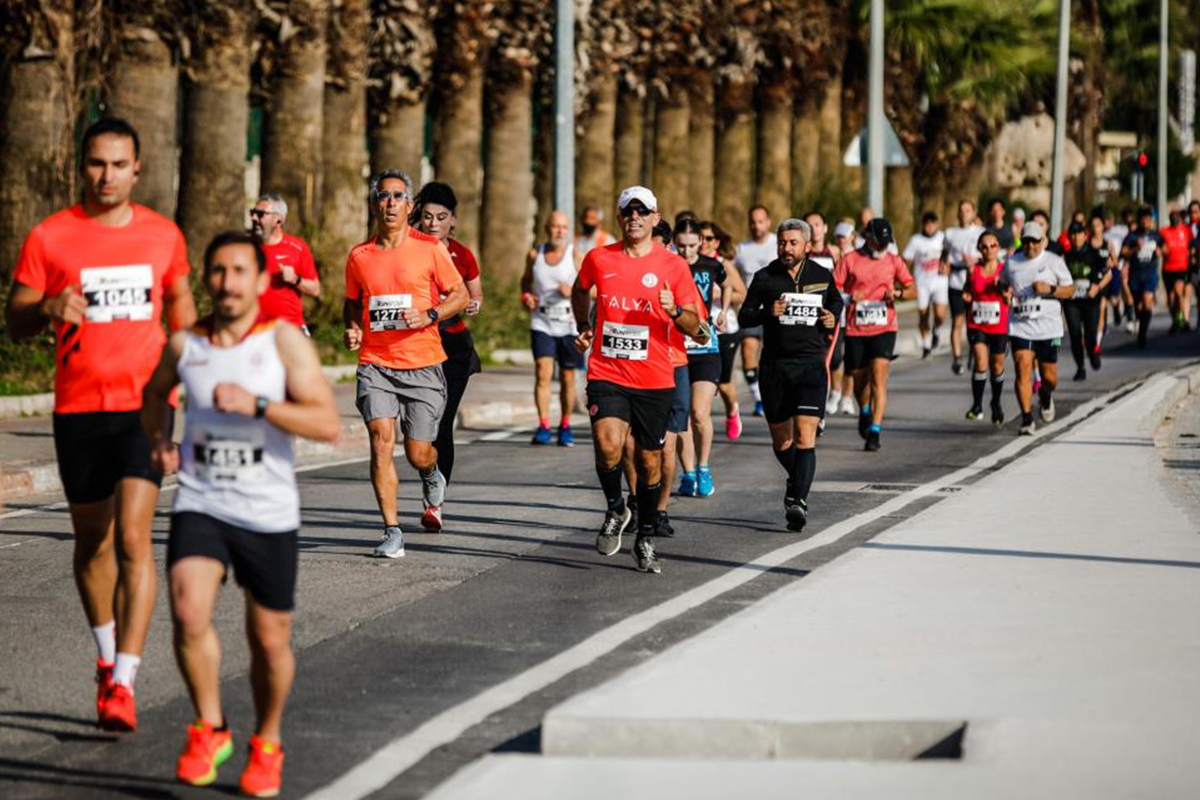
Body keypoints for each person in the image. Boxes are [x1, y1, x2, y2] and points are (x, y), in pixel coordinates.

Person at [5, 117, 197, 731]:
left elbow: (182, 310)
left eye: (119, 164)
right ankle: (106, 655)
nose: (106, 175)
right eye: (97, 164)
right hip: (78, 410)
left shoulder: (162, 235)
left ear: (137, 169)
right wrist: (46, 307)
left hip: (144, 407)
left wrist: (192, 374)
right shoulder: (50, 237)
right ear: (81, 166)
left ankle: (125, 681)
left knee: (136, 541)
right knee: (93, 543)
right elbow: (15, 320)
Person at [141, 232, 339, 796]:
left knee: (270, 641)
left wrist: (256, 405)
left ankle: (267, 741)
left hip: (267, 511)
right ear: (207, 279)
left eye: (238, 271)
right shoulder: (186, 345)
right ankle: (210, 725)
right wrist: (160, 440)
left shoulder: (281, 345)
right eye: (218, 271)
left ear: (260, 281)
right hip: (203, 502)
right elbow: (155, 394)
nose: (227, 282)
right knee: (187, 608)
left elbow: (326, 423)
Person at [571, 186, 702, 574]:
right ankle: (615, 507)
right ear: (619, 217)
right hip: (607, 371)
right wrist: (584, 324)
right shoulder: (599, 258)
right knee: (607, 444)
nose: (635, 217)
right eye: (628, 211)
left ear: (655, 218)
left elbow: (696, 325)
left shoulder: (673, 266)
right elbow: (581, 290)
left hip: (655, 377)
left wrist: (675, 310)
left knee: (649, 463)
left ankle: (644, 536)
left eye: (642, 211)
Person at [343, 169, 469, 555]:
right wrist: (352, 328)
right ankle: (392, 531)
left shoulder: (430, 249)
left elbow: (459, 294)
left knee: (417, 452)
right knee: (381, 442)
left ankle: (431, 473)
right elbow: (352, 301)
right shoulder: (359, 256)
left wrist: (431, 315)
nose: (391, 203)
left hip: (423, 362)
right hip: (376, 362)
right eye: (384, 196)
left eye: (399, 196)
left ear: (409, 205)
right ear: (374, 203)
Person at [738, 219, 842, 530]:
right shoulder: (765, 277)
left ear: (807, 245)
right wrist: (767, 312)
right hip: (775, 367)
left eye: (793, 243)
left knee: (806, 437)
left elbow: (836, 303)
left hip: (811, 364)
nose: (786, 248)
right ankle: (796, 482)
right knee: (783, 443)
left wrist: (830, 317)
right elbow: (744, 314)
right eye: (782, 242)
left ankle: (798, 500)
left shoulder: (821, 276)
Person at [411, 182, 485, 508]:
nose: (433, 223)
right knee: (417, 428)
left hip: (453, 347)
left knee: (443, 422)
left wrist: (474, 304)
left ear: (452, 220)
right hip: (414, 348)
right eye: (427, 216)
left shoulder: (462, 255)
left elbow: (475, 292)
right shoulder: (406, 249)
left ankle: (435, 505)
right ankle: (430, 477)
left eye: (441, 217)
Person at [835, 218, 916, 451]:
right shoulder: (850, 260)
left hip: (885, 327)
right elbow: (832, 292)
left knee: (879, 376)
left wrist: (898, 293)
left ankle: (875, 431)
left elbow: (912, 289)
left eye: (885, 243)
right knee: (860, 382)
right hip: (856, 328)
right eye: (878, 242)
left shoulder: (893, 261)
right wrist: (851, 298)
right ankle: (865, 410)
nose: (882, 247)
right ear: (867, 237)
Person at [674, 219, 732, 498]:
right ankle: (688, 473)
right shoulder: (669, 265)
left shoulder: (711, 265)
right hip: (677, 348)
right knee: (681, 415)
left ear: (701, 243)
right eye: (681, 246)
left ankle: (704, 466)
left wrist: (723, 309)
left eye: (692, 246)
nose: (686, 252)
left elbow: (728, 283)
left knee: (699, 412)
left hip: (706, 345)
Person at [1002, 221, 1074, 435]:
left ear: (1043, 241)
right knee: (1022, 366)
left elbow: (1070, 290)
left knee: (1050, 376)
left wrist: (1049, 288)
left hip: (1049, 328)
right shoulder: (1012, 262)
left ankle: (1045, 394)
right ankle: (1026, 419)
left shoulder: (1054, 261)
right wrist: (1005, 292)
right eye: (1026, 241)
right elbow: (1002, 283)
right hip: (1020, 326)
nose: (1030, 246)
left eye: (1034, 241)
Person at [522, 210, 583, 446]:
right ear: (547, 229)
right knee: (542, 372)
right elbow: (525, 280)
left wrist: (574, 290)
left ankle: (565, 425)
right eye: (556, 227)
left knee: (568, 378)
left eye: (564, 227)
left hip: (569, 325)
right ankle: (544, 424)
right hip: (542, 321)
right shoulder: (535, 253)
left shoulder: (575, 255)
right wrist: (526, 295)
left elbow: (595, 288)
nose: (560, 231)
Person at [700, 220, 747, 438]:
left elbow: (742, 293)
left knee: (724, 383)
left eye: (709, 238)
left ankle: (732, 411)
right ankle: (701, 418)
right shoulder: (689, 263)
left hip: (725, 329)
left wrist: (718, 294)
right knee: (703, 381)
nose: (704, 242)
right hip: (700, 331)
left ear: (717, 242)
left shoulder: (723, 264)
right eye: (701, 237)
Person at [250, 193, 320, 333]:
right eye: (252, 213)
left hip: (290, 329)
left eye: (260, 214)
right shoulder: (244, 248)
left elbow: (315, 289)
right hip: (254, 330)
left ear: (279, 220)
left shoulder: (297, 247)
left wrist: (295, 279)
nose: (253, 218)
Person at [962, 230, 1011, 425]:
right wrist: (966, 296)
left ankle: (996, 403)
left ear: (998, 247)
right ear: (979, 249)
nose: (989, 249)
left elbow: (1010, 295)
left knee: (997, 365)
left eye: (993, 245)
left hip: (999, 324)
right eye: (984, 246)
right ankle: (977, 405)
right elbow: (967, 290)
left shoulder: (1005, 269)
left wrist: (1006, 294)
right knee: (981, 361)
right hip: (977, 322)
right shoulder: (973, 269)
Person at [734, 205, 776, 416]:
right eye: (753, 221)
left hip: (777, 311)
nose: (757, 226)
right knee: (748, 353)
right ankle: (759, 399)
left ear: (768, 222)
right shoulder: (742, 250)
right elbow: (732, 277)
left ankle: (774, 395)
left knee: (774, 357)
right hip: (752, 310)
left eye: (761, 221)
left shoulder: (778, 244)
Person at [1062, 219, 1111, 381]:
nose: (1076, 237)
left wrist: (1097, 287)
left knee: (1090, 334)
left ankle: (1092, 352)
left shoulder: (1094, 253)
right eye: (1073, 234)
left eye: (1079, 234)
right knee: (1075, 334)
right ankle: (1080, 368)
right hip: (1072, 301)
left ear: (1085, 235)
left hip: (1091, 301)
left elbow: (1108, 274)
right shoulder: (1065, 257)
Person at [942, 200, 985, 375]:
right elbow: (944, 252)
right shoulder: (950, 233)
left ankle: (975, 354)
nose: (964, 213)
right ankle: (957, 358)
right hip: (955, 283)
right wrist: (943, 263)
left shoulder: (981, 232)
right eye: (962, 210)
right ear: (958, 214)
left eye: (968, 210)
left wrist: (974, 261)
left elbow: (988, 255)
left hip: (975, 282)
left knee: (974, 322)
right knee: (957, 321)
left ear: (974, 213)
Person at [903, 211, 948, 359]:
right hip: (922, 283)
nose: (929, 227)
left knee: (940, 315)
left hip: (940, 281)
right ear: (923, 225)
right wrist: (905, 279)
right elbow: (906, 260)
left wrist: (946, 265)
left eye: (932, 224)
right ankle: (926, 345)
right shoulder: (916, 240)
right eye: (926, 224)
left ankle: (936, 330)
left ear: (937, 224)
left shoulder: (943, 238)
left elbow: (950, 255)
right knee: (923, 315)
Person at [1121, 206, 1164, 348]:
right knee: (1139, 306)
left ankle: (1142, 334)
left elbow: (1165, 248)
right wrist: (1135, 249)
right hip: (1136, 275)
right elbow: (1124, 251)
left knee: (1147, 301)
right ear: (1139, 221)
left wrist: (1159, 251)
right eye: (1143, 219)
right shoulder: (1132, 236)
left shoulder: (1156, 235)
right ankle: (1141, 326)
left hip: (1150, 273)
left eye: (1148, 219)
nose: (1146, 222)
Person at [830, 221, 859, 415]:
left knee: (852, 359)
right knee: (835, 358)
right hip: (837, 313)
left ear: (852, 237)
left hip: (856, 313)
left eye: (844, 236)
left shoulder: (858, 257)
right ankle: (835, 392)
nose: (841, 239)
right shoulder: (830, 254)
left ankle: (847, 398)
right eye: (838, 236)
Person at [1160, 210, 1191, 333]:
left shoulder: (1186, 230)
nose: (1175, 219)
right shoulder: (1163, 231)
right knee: (1170, 298)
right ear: (1169, 218)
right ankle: (1175, 321)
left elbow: (1193, 244)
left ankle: (1184, 320)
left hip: (1181, 267)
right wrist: (1162, 250)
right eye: (1172, 217)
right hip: (1167, 269)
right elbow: (1158, 245)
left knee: (1179, 292)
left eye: (1177, 216)